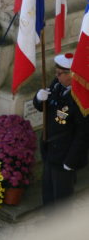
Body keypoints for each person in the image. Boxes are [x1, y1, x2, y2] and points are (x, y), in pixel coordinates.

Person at [33, 53, 88, 207]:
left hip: (65, 153)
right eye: (56, 73)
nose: (56, 77)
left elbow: (83, 134)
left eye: (59, 74)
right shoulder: (57, 85)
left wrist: (71, 161)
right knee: (48, 191)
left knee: (62, 198)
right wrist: (38, 98)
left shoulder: (81, 97)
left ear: (72, 74)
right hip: (50, 147)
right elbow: (42, 107)